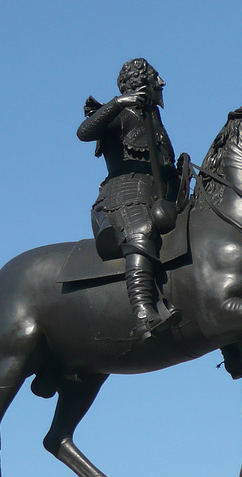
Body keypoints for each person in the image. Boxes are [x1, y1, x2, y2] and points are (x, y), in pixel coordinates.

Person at [77, 58, 182, 340]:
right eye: (155, 77)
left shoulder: (154, 118)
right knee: (141, 233)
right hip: (123, 194)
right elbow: (83, 132)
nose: (161, 83)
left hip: (160, 193)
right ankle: (143, 314)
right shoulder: (119, 114)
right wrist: (118, 102)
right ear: (141, 83)